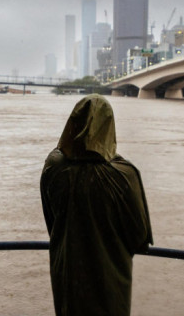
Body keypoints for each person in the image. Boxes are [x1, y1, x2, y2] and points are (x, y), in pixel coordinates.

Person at [40, 94, 153, 316]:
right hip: (110, 278)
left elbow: (51, 221)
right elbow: (139, 236)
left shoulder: (53, 166)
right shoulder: (124, 174)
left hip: (66, 274)